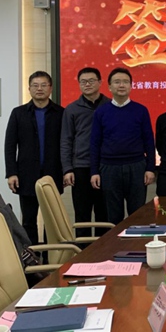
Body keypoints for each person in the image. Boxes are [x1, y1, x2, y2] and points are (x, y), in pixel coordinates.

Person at [4, 70, 64, 245]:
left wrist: (67, 170)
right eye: (35, 85)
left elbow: (67, 144)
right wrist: (11, 173)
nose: (39, 89)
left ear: (50, 88)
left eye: (44, 85)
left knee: (52, 221)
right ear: (29, 88)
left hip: (53, 173)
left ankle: (52, 256)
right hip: (26, 174)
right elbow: (10, 145)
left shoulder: (61, 113)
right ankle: (32, 256)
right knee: (29, 220)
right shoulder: (19, 113)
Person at [90, 68, 156, 225]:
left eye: (125, 82)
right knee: (113, 217)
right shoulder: (101, 112)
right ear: (109, 86)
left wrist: (150, 168)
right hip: (109, 168)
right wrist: (94, 172)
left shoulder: (141, 110)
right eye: (117, 82)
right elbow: (95, 143)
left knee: (138, 215)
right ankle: (115, 242)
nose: (121, 85)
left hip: (136, 167)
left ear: (131, 86)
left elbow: (149, 141)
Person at [60, 67, 110, 236]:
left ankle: (104, 249)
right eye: (83, 82)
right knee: (82, 215)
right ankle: (83, 250)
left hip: (105, 167)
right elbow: (66, 140)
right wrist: (67, 169)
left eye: (91, 81)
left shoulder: (110, 106)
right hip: (81, 168)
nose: (87, 84)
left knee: (104, 214)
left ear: (100, 82)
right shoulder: (72, 109)